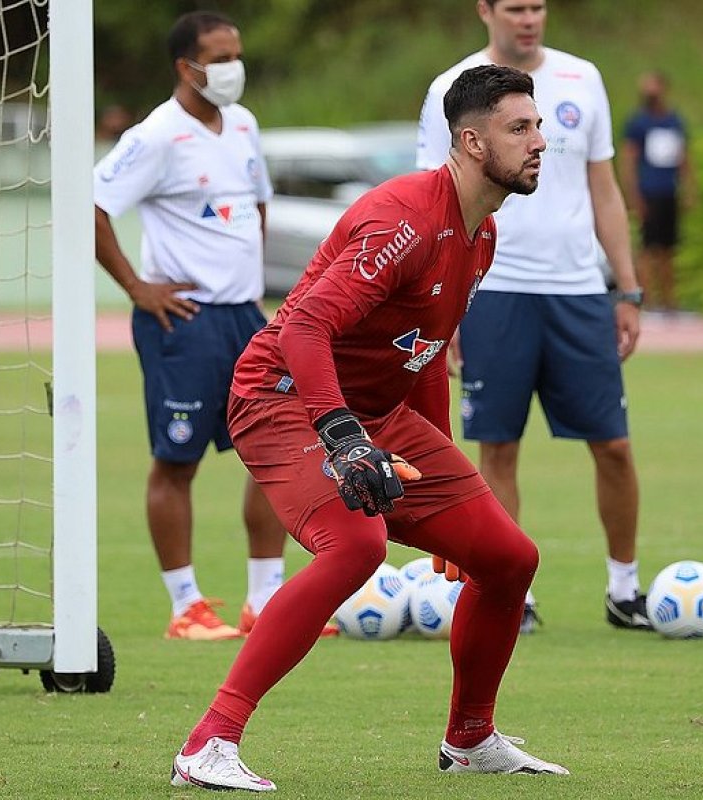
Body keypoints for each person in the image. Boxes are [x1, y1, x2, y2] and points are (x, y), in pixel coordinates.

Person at [170, 65, 569, 792]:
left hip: (377, 413)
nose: (541, 141)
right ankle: (208, 744)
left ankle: (471, 739)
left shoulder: (481, 237)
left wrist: (451, 486)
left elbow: (421, 356)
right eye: (522, 128)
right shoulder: (404, 219)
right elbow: (306, 329)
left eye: (539, 125)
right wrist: (342, 435)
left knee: (508, 558)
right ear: (473, 142)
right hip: (283, 396)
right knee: (357, 545)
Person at [416, 0, 651, 634]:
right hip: (493, 293)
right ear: (485, 11)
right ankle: (509, 595)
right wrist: (446, 304)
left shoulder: (583, 78)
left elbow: (603, 187)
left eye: (538, 6)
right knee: (499, 448)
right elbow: (435, 204)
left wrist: (625, 287)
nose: (529, 18)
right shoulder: (453, 88)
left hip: (577, 291)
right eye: (515, 7)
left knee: (615, 446)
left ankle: (624, 590)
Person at [93, 12, 324, 641]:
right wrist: (138, 289)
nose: (232, 68)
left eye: (236, 55)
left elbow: (258, 205)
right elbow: (91, 208)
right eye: (219, 58)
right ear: (185, 67)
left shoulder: (244, 125)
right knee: (178, 461)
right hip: (184, 321)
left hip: (247, 318)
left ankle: (265, 598)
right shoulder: (155, 137)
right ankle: (185, 605)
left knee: (275, 452)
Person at [620, 70, 694, 315]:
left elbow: (683, 157)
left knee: (668, 249)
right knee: (647, 248)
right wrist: (633, 195)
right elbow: (628, 160)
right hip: (648, 192)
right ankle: (647, 301)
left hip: (668, 192)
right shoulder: (638, 123)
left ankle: (670, 303)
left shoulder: (674, 121)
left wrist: (689, 187)